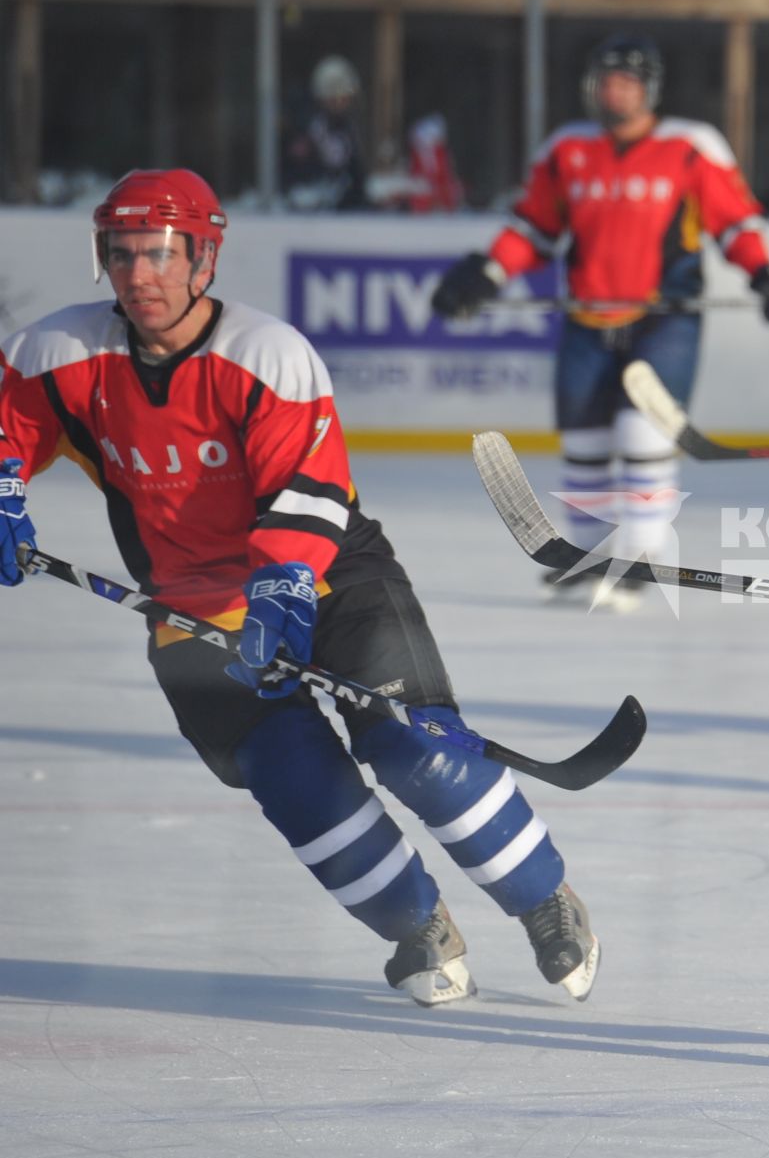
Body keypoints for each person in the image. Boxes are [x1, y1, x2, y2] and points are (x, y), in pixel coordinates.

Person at [0, 169, 600, 1007]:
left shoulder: (266, 355)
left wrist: (283, 587)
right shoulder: (57, 355)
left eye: (163, 254)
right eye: (124, 253)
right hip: (190, 611)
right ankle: (417, 924)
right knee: (293, 776)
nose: (141, 274)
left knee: (416, 746)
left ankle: (544, 899)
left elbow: (309, 488)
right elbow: (7, 432)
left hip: (326, 579)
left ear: (203, 260)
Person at [430, 33, 769, 608]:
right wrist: (489, 272)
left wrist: (766, 274)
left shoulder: (690, 146)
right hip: (586, 316)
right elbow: (534, 228)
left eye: (626, 81)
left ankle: (643, 557)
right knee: (584, 439)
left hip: (665, 316)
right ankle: (589, 556)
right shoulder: (567, 149)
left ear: (649, 88)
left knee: (641, 430)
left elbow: (734, 224)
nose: (614, 91)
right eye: (606, 80)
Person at [282, 55, 371, 211]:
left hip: (344, 211)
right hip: (317, 213)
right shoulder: (312, 129)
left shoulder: (344, 127)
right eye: (343, 97)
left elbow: (354, 172)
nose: (346, 102)